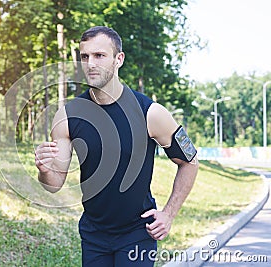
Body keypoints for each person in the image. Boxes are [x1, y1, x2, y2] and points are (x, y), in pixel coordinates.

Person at [35, 26, 199, 267]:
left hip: (137, 233)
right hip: (93, 235)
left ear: (118, 59)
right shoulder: (67, 116)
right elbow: (54, 184)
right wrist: (44, 170)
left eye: (99, 55)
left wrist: (169, 214)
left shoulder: (150, 113)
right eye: (85, 56)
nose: (90, 63)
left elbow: (190, 161)